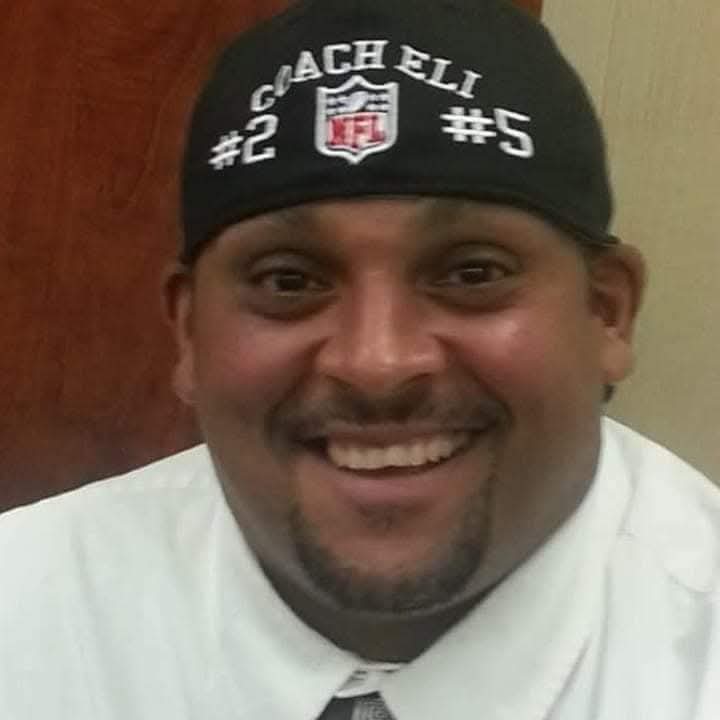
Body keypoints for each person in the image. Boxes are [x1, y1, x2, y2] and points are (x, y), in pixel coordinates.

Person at [1, 0, 718, 718]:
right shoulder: (26, 609)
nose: (378, 364)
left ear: (606, 313)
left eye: (472, 273)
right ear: (189, 332)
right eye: (289, 281)